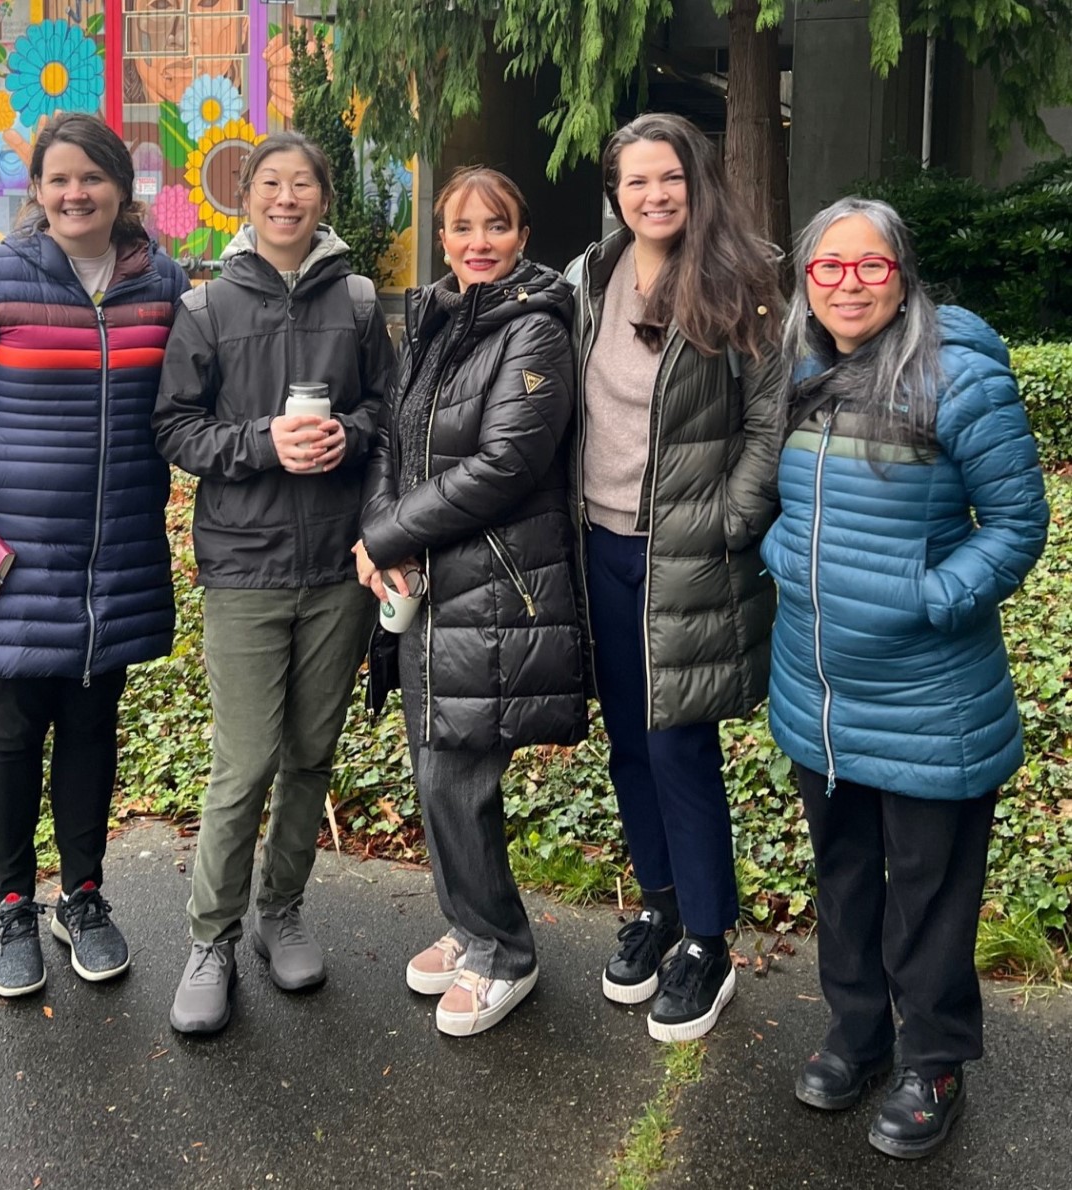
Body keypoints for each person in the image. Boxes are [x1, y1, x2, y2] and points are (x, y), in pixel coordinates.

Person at [762, 196, 1049, 1158]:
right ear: (806, 280)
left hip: (932, 700)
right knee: (844, 877)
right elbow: (783, 496)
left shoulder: (959, 377)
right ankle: (857, 1036)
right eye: (827, 268)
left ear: (903, 275)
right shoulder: (802, 368)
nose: (848, 285)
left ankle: (932, 1062)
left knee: (929, 892)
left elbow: (1017, 530)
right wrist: (775, 551)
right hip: (820, 692)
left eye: (869, 267)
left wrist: (930, 598)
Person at [0, 112, 188, 997]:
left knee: (94, 728)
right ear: (36, 190)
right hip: (16, 558)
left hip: (117, 558)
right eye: (59, 179)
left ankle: (85, 895)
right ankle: (11, 905)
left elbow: (187, 411)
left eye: (93, 178)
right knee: (12, 726)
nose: (77, 194)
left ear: (121, 188)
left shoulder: (162, 286)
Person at [154, 131, 394, 1035]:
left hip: (338, 567)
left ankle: (279, 913)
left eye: (302, 184)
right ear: (244, 199)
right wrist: (260, 443)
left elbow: (386, 411)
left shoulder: (361, 301)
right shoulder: (207, 305)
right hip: (245, 567)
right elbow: (175, 428)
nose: (286, 198)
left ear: (323, 198)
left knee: (309, 757)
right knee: (245, 761)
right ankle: (210, 937)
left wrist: (353, 438)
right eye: (269, 184)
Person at [354, 166, 586, 1037]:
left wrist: (388, 538)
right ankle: (468, 924)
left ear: (523, 236)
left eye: (497, 225)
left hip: (495, 580)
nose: (478, 241)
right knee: (432, 764)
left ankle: (505, 953)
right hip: (430, 580)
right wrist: (383, 525)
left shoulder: (536, 327)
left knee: (459, 777)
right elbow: (394, 434)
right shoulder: (435, 318)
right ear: (441, 237)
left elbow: (506, 464)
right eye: (461, 227)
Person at [570, 113, 784, 1042]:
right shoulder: (596, 273)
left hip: (686, 550)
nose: (653, 196)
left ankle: (707, 937)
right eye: (634, 181)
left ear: (696, 180)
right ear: (616, 192)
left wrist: (731, 518)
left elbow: (772, 419)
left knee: (679, 749)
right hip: (599, 545)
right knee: (626, 739)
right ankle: (657, 904)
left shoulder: (743, 277)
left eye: (669, 178)